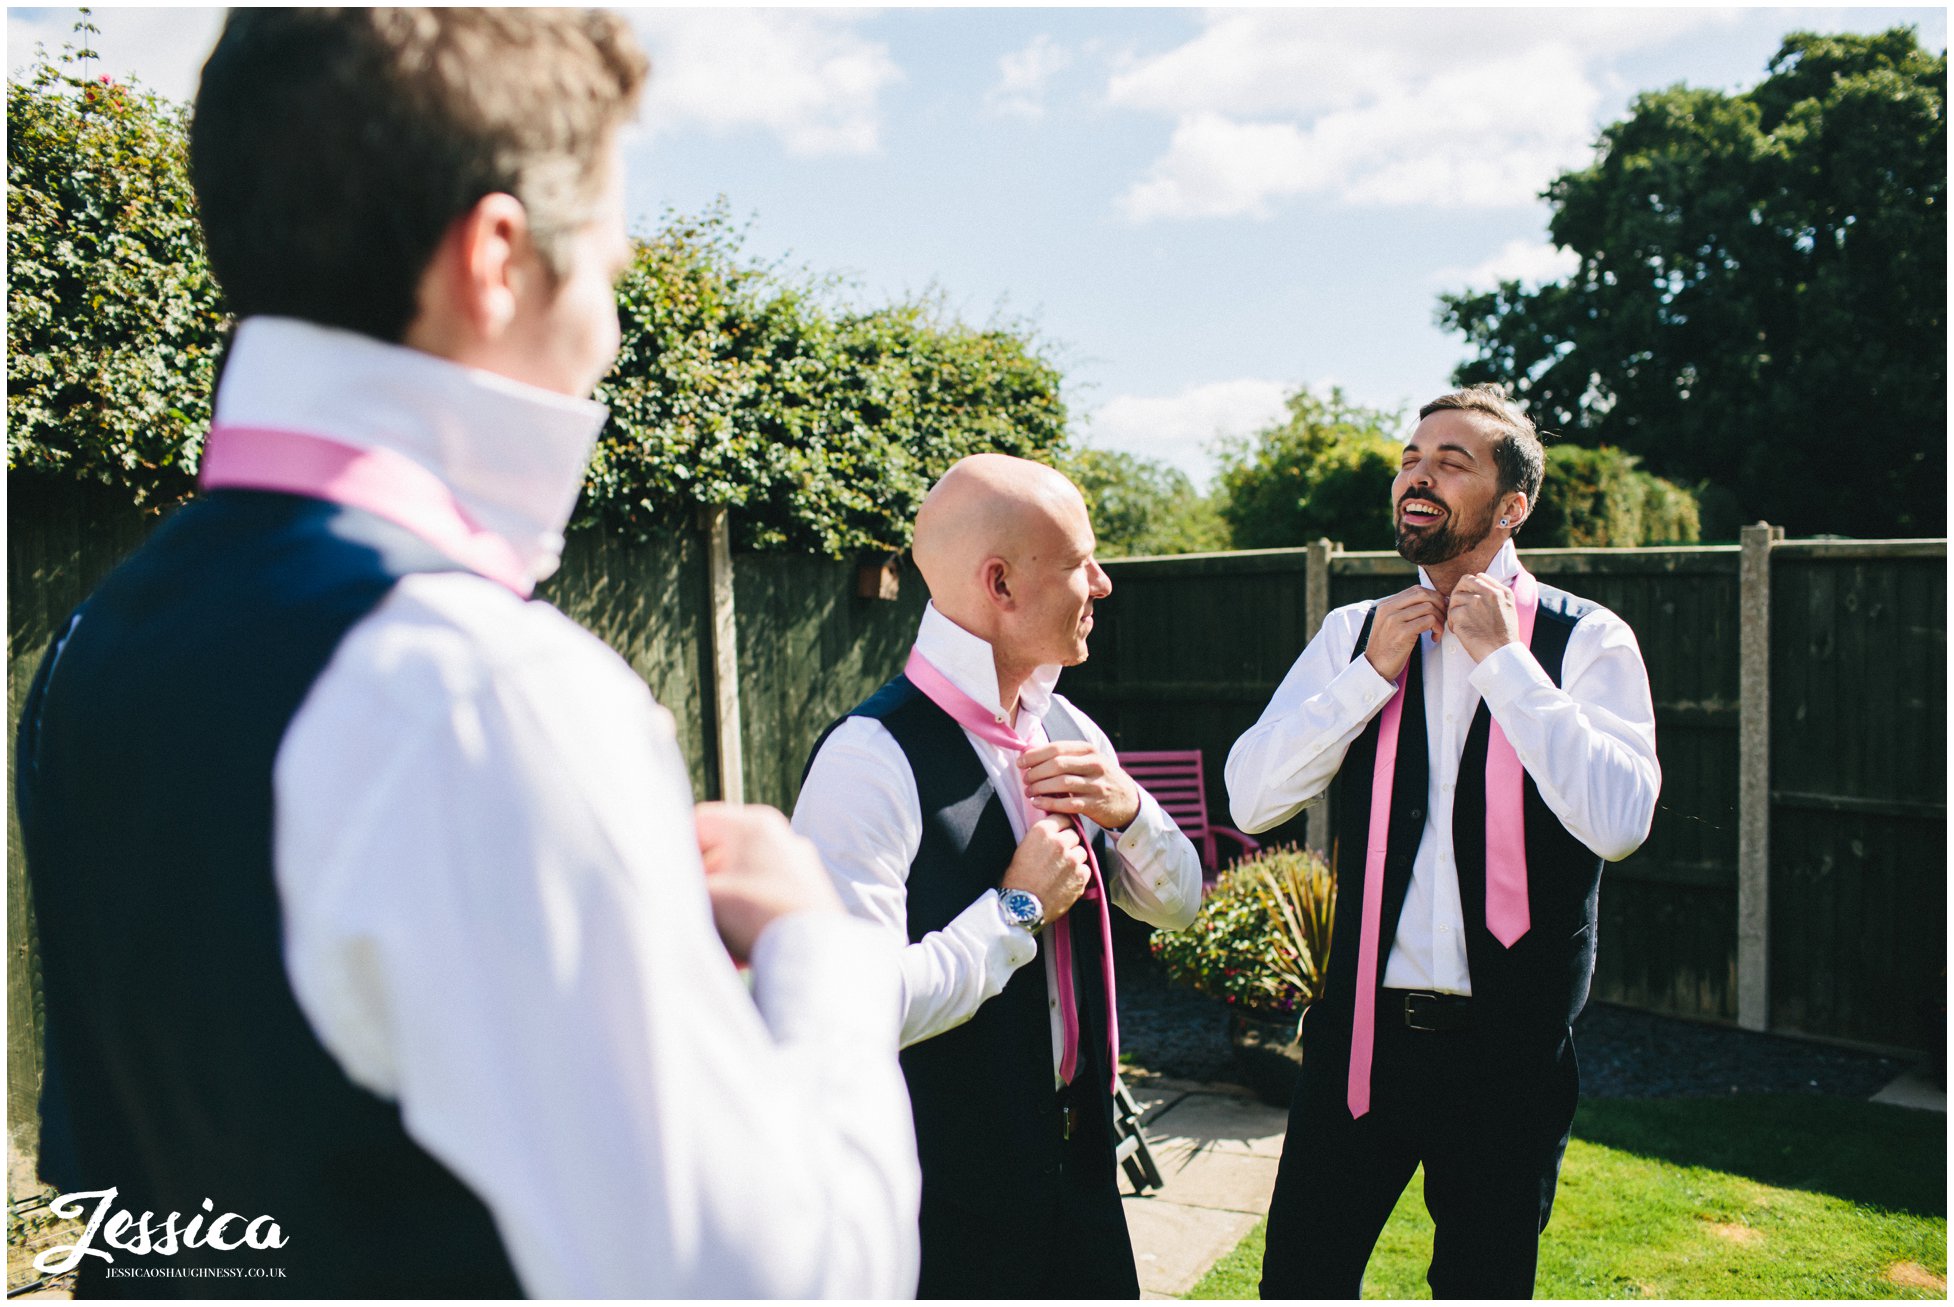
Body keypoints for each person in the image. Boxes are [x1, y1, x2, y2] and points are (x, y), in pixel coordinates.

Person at [15, 10, 918, 1298]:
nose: (608, 326)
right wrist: (810, 948)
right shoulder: (477, 689)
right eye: (606, 265)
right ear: (498, 255)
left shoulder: (92, 641)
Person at [1226, 384, 1661, 1298]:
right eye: (1411, 458)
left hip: (1508, 1051)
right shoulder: (1355, 632)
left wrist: (1508, 664)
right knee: (1299, 1279)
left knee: (1483, 1284)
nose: (1416, 476)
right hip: (1359, 1044)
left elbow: (1621, 822)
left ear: (1513, 507)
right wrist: (1366, 678)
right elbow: (1252, 795)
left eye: (1451, 461)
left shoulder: (1586, 640)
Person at [792, 454, 1203, 1298]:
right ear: (1002, 584)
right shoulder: (869, 761)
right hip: (944, 1197)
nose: (1103, 581)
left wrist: (1130, 810)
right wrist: (1013, 911)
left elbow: (1180, 904)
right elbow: (846, 1011)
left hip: (1084, 1175)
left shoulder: (1067, 721)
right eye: (1081, 560)